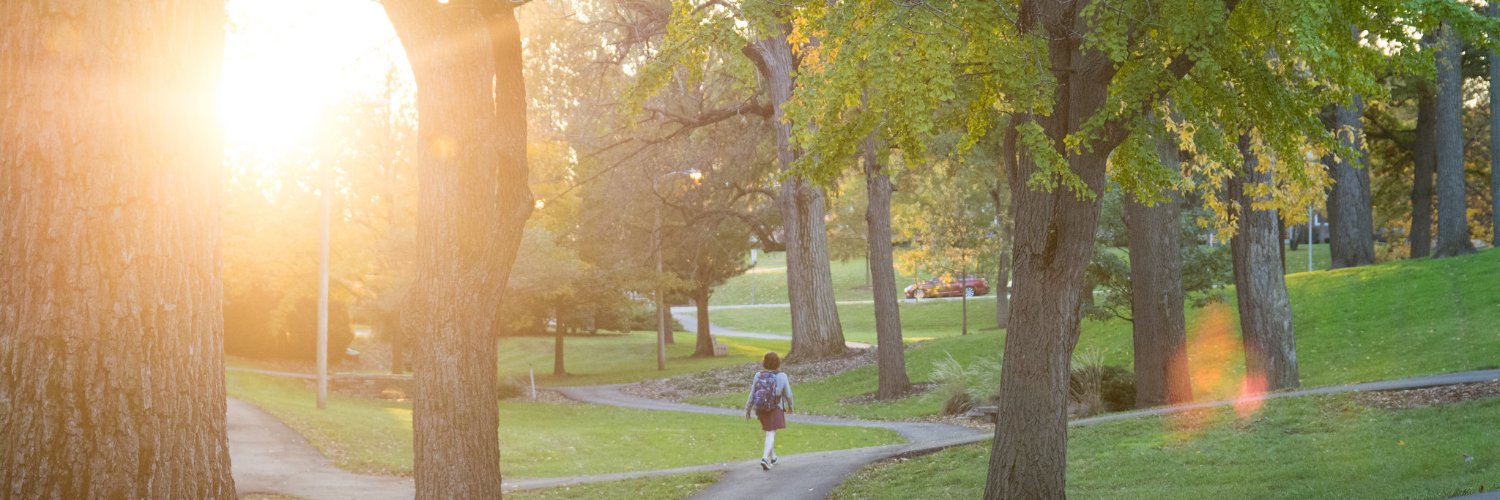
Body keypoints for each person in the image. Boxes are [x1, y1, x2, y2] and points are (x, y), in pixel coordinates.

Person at [745, 351, 793, 470]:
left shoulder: (758, 375)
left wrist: (748, 409)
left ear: (764, 363)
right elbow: (789, 395)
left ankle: (773, 457)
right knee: (770, 433)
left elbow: (752, 393)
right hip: (774, 407)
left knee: (768, 432)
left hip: (760, 408)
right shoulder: (782, 376)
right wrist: (791, 407)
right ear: (778, 363)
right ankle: (765, 458)